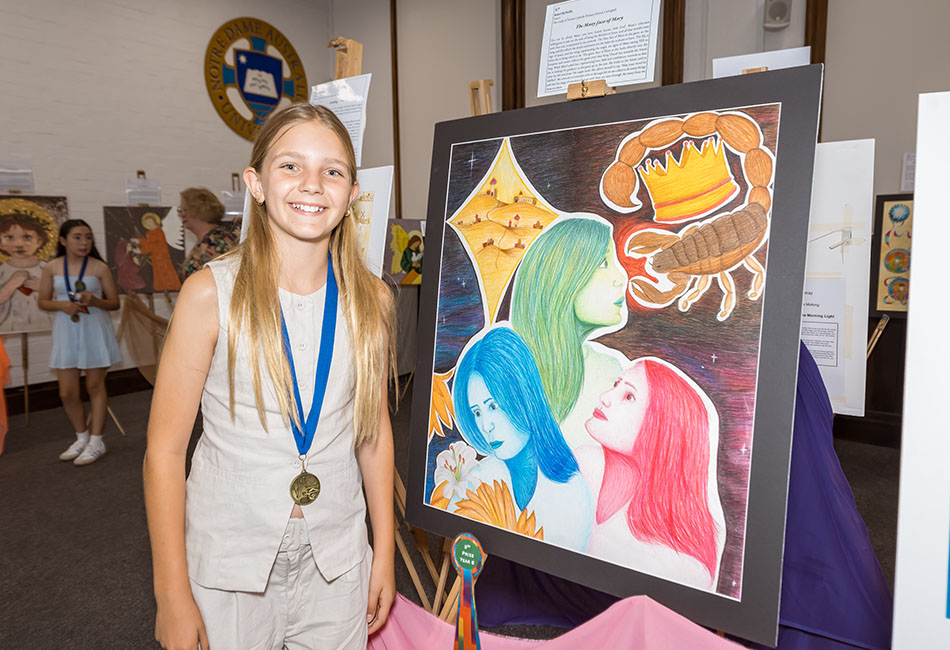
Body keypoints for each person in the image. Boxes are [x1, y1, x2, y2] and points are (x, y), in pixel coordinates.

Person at [144, 103, 397, 650]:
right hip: (231, 559)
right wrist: (171, 593)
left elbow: (373, 434)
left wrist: (384, 552)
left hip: (337, 556)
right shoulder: (209, 295)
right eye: (290, 166)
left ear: (352, 194)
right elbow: (164, 451)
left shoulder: (371, 300)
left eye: (332, 170)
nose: (312, 184)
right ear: (256, 184)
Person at [576, 357, 726, 591]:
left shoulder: (682, 566)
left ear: (663, 426)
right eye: (616, 385)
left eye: (629, 396)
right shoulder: (584, 463)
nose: (605, 396)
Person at [450, 326, 593, 551]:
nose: (486, 425)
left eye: (493, 406)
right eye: (476, 412)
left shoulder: (572, 493)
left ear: (524, 396)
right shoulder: (477, 479)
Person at [510, 215, 628, 449]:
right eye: (603, 263)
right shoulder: (509, 372)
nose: (621, 278)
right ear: (561, 279)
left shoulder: (610, 370)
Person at [37, 219, 121, 465]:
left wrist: (95, 301)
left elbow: (114, 303)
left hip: (94, 329)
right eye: (77, 237)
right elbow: (42, 301)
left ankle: (97, 441)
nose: (84, 242)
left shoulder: (99, 267)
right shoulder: (52, 267)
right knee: (67, 392)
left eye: (88, 237)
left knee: (95, 386)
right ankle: (81, 437)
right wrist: (61, 305)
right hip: (66, 331)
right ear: (63, 241)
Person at [0, 209, 53, 332]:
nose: (19, 244)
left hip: (46, 327)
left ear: (39, 241)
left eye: (27, 237)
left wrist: (43, 289)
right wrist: (10, 285)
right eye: (9, 237)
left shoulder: (48, 269)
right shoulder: (2, 271)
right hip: (10, 328)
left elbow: (64, 295)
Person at [178, 187, 238, 278]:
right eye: (180, 211)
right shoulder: (209, 239)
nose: (181, 215)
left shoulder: (216, 241)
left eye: (185, 210)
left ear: (200, 211)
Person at [132, 211, 182, 291]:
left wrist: (141, 250)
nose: (149, 223)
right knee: (158, 271)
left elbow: (155, 245)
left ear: (154, 221)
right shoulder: (149, 232)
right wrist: (139, 241)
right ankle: (162, 286)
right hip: (155, 256)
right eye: (147, 222)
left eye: (150, 221)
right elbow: (149, 243)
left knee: (165, 270)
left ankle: (171, 286)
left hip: (162, 255)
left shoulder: (159, 231)